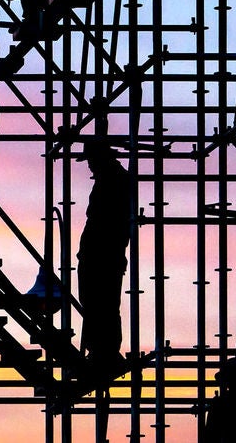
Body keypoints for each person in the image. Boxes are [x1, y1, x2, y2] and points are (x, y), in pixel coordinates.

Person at [74, 138, 137, 376]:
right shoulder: (112, 178)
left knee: (101, 303)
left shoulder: (113, 180)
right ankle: (102, 353)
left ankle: (104, 354)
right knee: (100, 304)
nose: (89, 165)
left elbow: (108, 220)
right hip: (101, 252)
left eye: (91, 160)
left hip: (103, 253)